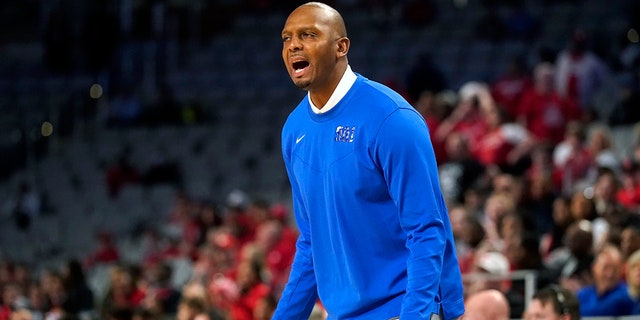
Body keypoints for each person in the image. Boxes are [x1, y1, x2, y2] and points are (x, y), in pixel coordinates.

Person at [274, 2, 465, 319]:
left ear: (341, 47)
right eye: (286, 38)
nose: (293, 44)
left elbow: (428, 230)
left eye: (308, 34)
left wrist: (415, 315)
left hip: (405, 307)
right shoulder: (294, 131)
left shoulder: (390, 117)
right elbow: (311, 244)